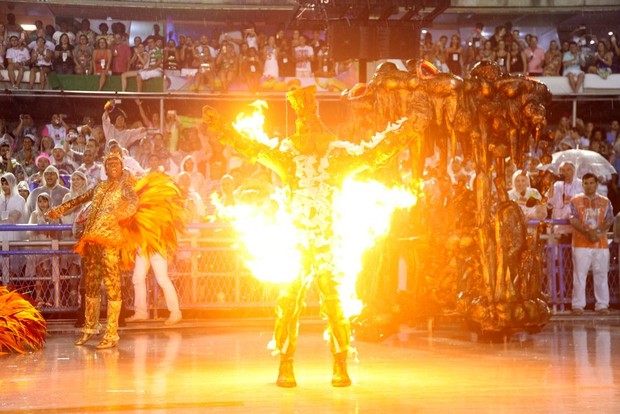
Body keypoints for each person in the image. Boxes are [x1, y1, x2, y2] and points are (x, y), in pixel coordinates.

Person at [211, 85, 429, 387]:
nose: (307, 130)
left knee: (335, 306)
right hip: (296, 243)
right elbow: (253, 147)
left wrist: (410, 128)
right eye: (303, 124)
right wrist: (224, 129)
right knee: (288, 304)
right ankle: (285, 365)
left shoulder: (337, 157)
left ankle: (340, 365)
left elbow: (378, 151)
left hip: (329, 245)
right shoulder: (289, 155)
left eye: (311, 121)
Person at [47, 152, 139, 349]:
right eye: (109, 164)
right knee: (91, 285)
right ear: (105, 168)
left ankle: (112, 333)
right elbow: (79, 199)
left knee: (113, 286)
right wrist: (59, 210)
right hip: (93, 241)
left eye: (116, 164)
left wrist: (120, 214)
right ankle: (90, 328)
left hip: (111, 241)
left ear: (122, 167)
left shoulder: (126, 187)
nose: (113, 167)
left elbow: (134, 203)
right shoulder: (99, 187)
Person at [568, 173, 614, 315]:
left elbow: (609, 219)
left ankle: (602, 305)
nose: (589, 186)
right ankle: (578, 305)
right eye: (586, 183)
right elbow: (573, 219)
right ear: (582, 185)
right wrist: (587, 232)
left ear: (596, 184)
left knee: (601, 274)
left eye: (591, 183)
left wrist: (598, 232)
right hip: (581, 243)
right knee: (579, 275)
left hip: (600, 244)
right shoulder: (575, 200)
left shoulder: (605, 201)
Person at [546, 161, 583, 240]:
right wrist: (551, 185)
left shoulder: (581, 184)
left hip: (577, 227)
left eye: (568, 170)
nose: (565, 172)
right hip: (560, 227)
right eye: (563, 170)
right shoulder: (557, 185)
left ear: (574, 171)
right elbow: (550, 202)